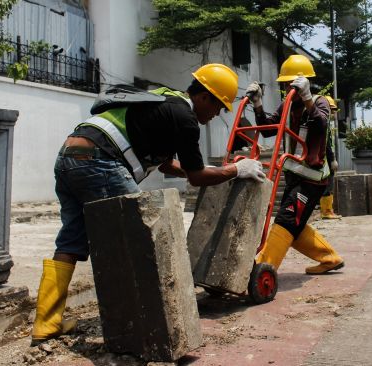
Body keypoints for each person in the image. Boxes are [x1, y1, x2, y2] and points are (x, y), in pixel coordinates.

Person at [31, 64, 266, 345]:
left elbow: (168, 163)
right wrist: (236, 171)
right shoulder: (186, 118)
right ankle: (148, 326)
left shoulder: (165, 100)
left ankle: (47, 323)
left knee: (71, 240)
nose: (217, 114)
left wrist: (208, 168)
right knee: (143, 238)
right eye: (219, 106)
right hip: (100, 159)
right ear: (204, 97)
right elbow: (197, 177)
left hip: (70, 156)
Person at [245, 54, 344, 275]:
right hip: (294, 174)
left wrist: (308, 98)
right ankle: (330, 258)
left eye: (289, 83)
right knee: (293, 224)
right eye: (283, 83)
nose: (286, 87)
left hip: (313, 177)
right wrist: (257, 103)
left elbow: (320, 124)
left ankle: (264, 268)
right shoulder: (287, 105)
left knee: (287, 219)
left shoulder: (320, 101)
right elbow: (268, 129)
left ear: (303, 82)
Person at [320, 96, 342, 220]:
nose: (333, 113)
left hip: (324, 160)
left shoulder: (325, 123)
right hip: (326, 161)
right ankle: (326, 211)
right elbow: (326, 144)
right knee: (328, 185)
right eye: (331, 109)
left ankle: (327, 210)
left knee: (326, 185)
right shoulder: (325, 124)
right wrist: (332, 160)